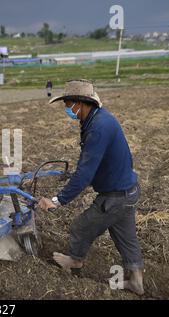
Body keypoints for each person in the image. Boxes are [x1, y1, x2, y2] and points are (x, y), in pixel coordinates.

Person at [39, 79, 144, 295]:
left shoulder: (98, 128)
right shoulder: (97, 120)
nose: (67, 109)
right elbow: (94, 163)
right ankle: (136, 282)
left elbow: (85, 173)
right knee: (126, 238)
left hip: (115, 196)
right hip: (128, 190)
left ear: (81, 103)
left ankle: (75, 261)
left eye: (68, 104)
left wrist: (57, 200)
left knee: (80, 227)